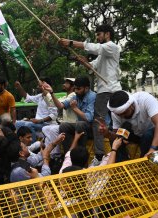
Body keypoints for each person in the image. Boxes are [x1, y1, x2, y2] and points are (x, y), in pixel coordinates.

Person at [59, 24, 122, 161]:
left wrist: (71, 43)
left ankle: (99, 155)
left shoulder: (112, 46)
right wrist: (84, 62)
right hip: (109, 89)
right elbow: (93, 66)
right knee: (112, 122)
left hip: (107, 90)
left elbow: (95, 47)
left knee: (98, 121)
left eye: (99, 34)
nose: (98, 37)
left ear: (107, 34)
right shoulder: (103, 54)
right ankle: (114, 151)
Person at [100, 90, 158, 161]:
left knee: (148, 136)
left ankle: (142, 165)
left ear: (131, 105)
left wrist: (153, 149)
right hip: (141, 136)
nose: (122, 116)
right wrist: (107, 133)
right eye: (119, 115)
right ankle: (122, 166)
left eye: (125, 113)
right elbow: (117, 134)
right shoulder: (116, 112)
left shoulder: (145, 99)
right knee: (117, 139)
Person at [43, 76, 96, 154]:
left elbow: (89, 118)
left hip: (92, 126)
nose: (76, 91)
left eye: (79, 89)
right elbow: (61, 106)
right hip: (80, 125)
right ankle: (69, 155)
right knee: (64, 126)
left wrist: (75, 108)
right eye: (75, 89)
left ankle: (80, 155)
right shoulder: (76, 96)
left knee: (80, 124)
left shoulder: (92, 96)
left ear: (87, 88)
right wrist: (51, 93)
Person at [42, 78, 76, 161]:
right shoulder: (66, 96)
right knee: (45, 128)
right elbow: (52, 102)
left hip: (72, 124)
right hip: (64, 124)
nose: (64, 84)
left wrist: (51, 92)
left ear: (72, 86)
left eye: (66, 83)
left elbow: (60, 105)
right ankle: (49, 153)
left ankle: (55, 155)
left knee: (53, 129)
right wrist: (45, 91)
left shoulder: (73, 95)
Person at [14, 77, 58, 142]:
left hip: (47, 124)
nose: (37, 86)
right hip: (37, 123)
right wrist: (19, 87)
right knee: (17, 123)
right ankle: (20, 143)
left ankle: (32, 145)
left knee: (28, 125)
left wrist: (40, 121)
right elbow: (28, 98)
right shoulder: (40, 96)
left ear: (45, 85)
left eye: (39, 85)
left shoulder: (51, 98)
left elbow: (54, 115)